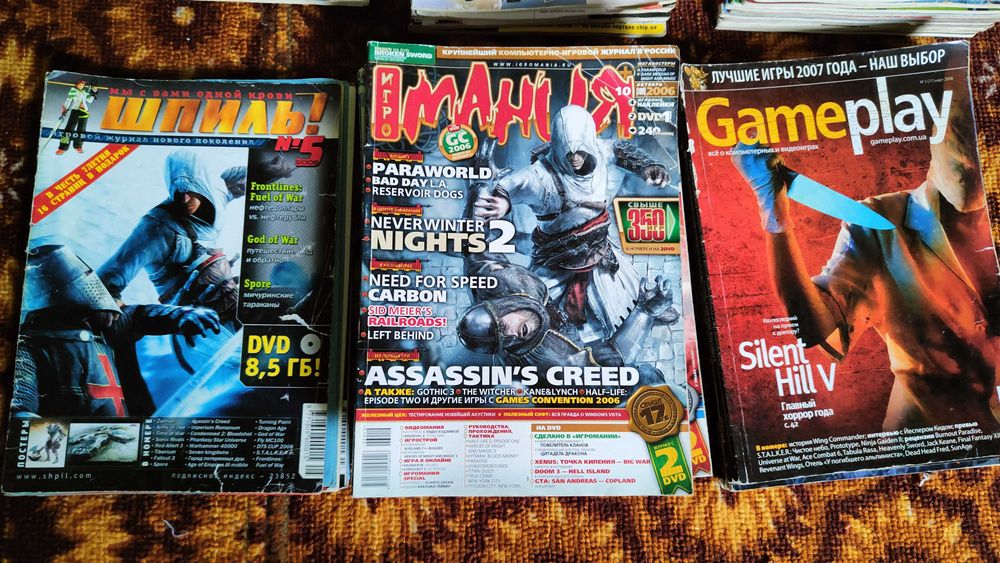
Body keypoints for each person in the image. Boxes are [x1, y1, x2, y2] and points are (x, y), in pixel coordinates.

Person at [734, 81, 1000, 432]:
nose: (970, 159)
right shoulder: (878, 223)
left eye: (986, 143)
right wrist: (773, 209)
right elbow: (814, 327)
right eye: (957, 135)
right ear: (934, 131)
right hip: (923, 443)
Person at [472, 105, 669, 340]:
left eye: (580, 151)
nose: (575, 158)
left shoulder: (601, 151)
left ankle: (645, 310)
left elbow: (622, 150)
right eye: (568, 153)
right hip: (558, 259)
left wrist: (648, 167)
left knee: (621, 295)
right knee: (536, 305)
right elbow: (513, 184)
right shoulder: (541, 174)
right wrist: (503, 202)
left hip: (598, 251)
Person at [12, 245, 221, 418]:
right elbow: (21, 402)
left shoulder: (100, 327)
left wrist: (180, 315)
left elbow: (139, 315)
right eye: (82, 280)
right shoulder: (27, 347)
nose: (92, 286)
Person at [56, 79, 96, 155]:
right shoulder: (73, 90)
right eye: (80, 84)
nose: (81, 86)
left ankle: (78, 146)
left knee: (81, 130)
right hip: (75, 110)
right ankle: (62, 147)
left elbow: (90, 100)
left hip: (84, 112)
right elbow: (69, 100)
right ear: (76, 85)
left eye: (83, 85)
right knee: (69, 129)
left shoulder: (85, 92)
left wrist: (93, 93)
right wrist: (65, 109)